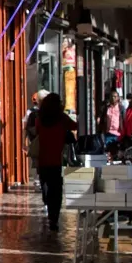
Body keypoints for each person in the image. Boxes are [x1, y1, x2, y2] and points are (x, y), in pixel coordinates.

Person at [28, 93, 76, 230]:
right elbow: (75, 126)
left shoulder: (40, 119)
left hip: (43, 158)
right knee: (56, 189)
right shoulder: (62, 119)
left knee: (46, 185)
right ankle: (54, 216)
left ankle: (49, 211)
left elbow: (37, 131)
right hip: (56, 159)